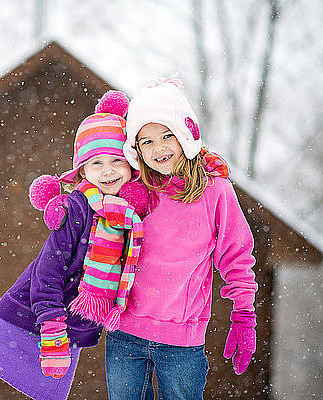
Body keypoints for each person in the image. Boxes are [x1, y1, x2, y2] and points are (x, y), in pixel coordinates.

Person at [0, 90, 147, 400]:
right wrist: (51, 323)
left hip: (71, 327)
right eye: (97, 164)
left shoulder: (131, 220)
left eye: (117, 161)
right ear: (82, 173)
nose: (108, 171)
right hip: (28, 313)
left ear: (131, 164)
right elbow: (47, 273)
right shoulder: (77, 210)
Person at [102, 75, 259, 400]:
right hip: (124, 335)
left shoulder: (214, 190)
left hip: (181, 342)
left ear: (186, 134)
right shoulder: (133, 189)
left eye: (167, 135)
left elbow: (236, 256)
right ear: (135, 149)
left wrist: (243, 313)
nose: (158, 148)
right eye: (146, 141)